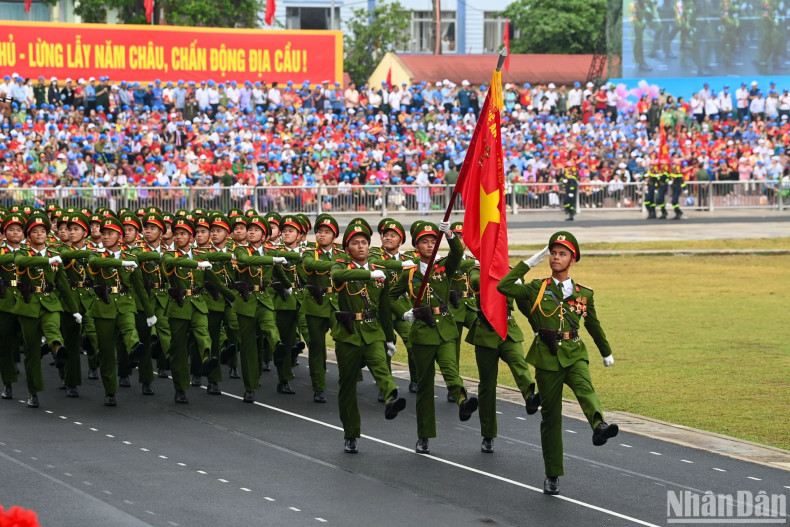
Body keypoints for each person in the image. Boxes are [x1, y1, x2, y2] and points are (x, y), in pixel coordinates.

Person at [497, 232, 618, 496]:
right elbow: (503, 287)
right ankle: (552, 474)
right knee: (550, 419)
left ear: (572, 260)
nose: (555, 257)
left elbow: (593, 325)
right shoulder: (536, 288)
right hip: (547, 358)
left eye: (562, 253)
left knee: (586, 389)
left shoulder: (583, 293)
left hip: (574, 352)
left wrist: (605, 352)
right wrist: (528, 263)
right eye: (553, 252)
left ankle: (599, 426)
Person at [389, 221, 478, 455]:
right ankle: (424, 436)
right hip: (422, 334)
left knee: (450, 368)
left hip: (446, 328)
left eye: (432, 241)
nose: (429, 245)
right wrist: (403, 313)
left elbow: (458, 252)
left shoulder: (443, 268)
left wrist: (448, 234)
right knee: (425, 387)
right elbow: (389, 296)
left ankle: (462, 402)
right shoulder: (408, 273)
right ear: (416, 246)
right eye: (424, 242)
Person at [330, 220, 406, 453]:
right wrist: (370, 274)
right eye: (355, 243)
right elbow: (340, 277)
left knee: (381, 366)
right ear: (347, 248)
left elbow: (384, 308)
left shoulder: (379, 272)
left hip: (372, 330)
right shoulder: (339, 267)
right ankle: (350, 433)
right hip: (349, 334)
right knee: (347, 386)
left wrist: (389, 337)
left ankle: (391, 398)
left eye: (364, 242)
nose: (361, 247)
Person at [467, 263, 539, 453]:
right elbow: (475, 282)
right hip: (486, 331)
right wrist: (506, 277)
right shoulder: (476, 269)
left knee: (518, 361)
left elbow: (524, 302)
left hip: (508, 328)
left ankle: (530, 396)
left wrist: (537, 328)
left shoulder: (510, 269)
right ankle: (488, 434)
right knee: (488, 385)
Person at [13, 212, 80, 409]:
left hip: (50, 302)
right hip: (28, 304)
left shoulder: (54, 255)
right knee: (32, 351)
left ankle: (58, 348)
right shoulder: (22, 252)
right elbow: (21, 263)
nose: (40, 234)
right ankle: (33, 392)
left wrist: (74, 310)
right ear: (28, 235)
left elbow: (63, 285)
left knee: (53, 328)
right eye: (35, 232)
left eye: (43, 231)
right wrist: (46, 262)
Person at [86, 216, 153, 407]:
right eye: (104, 233)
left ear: (120, 237)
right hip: (103, 307)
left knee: (130, 328)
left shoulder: (131, 258)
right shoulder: (96, 255)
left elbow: (139, 288)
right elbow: (97, 264)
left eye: (110, 234)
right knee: (107, 351)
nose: (105, 237)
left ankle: (134, 348)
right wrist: (120, 264)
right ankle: (110, 391)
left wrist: (149, 313)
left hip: (125, 303)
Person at [161, 217, 226, 404]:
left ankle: (207, 359)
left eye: (183, 234)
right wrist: (197, 264)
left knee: (204, 333)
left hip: (198, 302)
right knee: (179, 349)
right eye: (177, 234)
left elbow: (214, 280)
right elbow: (172, 263)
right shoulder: (169, 255)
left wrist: (230, 297)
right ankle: (180, 388)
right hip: (178, 305)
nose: (179, 237)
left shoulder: (200, 254)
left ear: (190, 237)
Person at [301, 214, 347, 403]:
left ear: (334, 236)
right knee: (317, 347)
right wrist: (338, 265)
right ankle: (318, 386)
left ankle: (348, 379)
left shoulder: (343, 254)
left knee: (344, 343)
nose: (322, 235)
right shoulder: (310, 252)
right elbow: (310, 265)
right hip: (316, 304)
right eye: (319, 232)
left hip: (336, 303)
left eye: (327, 232)